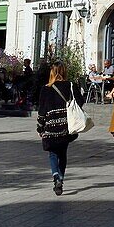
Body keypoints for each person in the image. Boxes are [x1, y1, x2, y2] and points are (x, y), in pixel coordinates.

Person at [36, 61, 86, 195]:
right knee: (62, 153)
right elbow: (80, 101)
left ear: (52, 72)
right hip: (66, 125)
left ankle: (56, 176)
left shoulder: (46, 89)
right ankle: (61, 179)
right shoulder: (70, 85)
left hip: (50, 126)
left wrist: (40, 127)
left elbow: (41, 110)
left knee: (52, 153)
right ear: (64, 72)